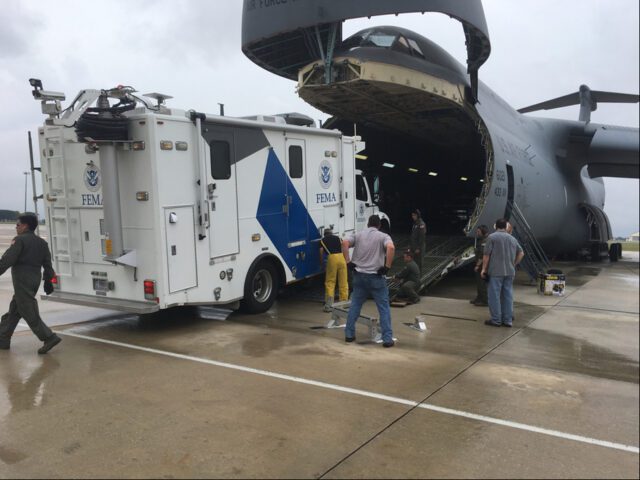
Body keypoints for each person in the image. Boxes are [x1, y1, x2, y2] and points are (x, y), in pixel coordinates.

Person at [0, 214, 61, 353]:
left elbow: (7, 260)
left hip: (22, 280)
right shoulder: (42, 243)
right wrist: (49, 281)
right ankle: (2, 338)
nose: (16, 227)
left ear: (25, 226)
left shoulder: (19, 240)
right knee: (15, 310)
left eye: (17, 225)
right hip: (34, 280)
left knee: (28, 311)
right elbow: (48, 264)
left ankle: (49, 337)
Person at [342, 215, 395, 347]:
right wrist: (387, 267)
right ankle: (387, 339)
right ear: (379, 225)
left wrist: (348, 262)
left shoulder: (358, 235)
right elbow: (391, 248)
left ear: (368, 224)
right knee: (383, 308)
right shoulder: (383, 236)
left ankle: (349, 335)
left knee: (355, 305)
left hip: (359, 276)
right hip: (376, 277)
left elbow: (344, 243)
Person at [481, 218, 525, 327]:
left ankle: (496, 320)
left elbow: (486, 255)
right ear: (506, 227)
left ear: (496, 226)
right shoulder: (512, 239)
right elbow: (521, 253)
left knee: (494, 296)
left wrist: (483, 269)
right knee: (508, 296)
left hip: (496, 272)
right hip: (510, 272)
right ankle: (507, 320)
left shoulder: (491, 238)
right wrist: (514, 264)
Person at [319, 228, 348, 312]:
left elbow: (321, 251)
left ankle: (329, 305)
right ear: (331, 233)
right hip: (341, 258)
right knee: (343, 281)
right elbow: (344, 247)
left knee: (330, 282)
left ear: (325, 234)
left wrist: (321, 262)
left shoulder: (322, 240)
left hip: (332, 259)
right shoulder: (338, 238)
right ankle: (343, 303)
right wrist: (346, 259)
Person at [470, 225, 490, 306]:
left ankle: (485, 301)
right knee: (479, 283)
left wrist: (478, 265)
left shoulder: (485, 241)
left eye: (478, 232)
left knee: (482, 284)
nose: (477, 233)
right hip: (481, 265)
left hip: (483, 265)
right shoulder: (482, 240)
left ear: (483, 232)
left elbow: (483, 255)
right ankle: (479, 297)